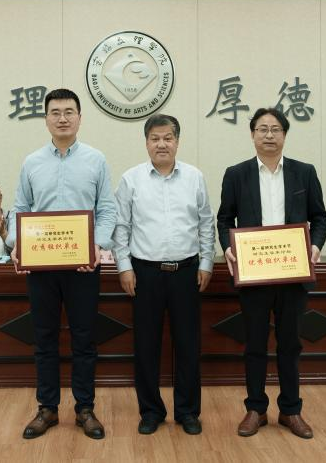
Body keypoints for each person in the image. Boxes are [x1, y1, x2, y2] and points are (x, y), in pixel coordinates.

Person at [6, 88, 116, 440]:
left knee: (84, 339)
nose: (63, 118)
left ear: (80, 118)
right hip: (41, 267)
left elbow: (107, 209)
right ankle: (47, 408)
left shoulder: (96, 160)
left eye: (69, 112)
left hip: (83, 266)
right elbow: (21, 208)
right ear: (46, 119)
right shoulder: (32, 162)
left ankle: (85, 408)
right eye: (55, 112)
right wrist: (17, 245)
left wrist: (97, 246)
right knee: (44, 339)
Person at [216, 107, 326, 440]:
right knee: (254, 344)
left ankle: (291, 410)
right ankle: (256, 409)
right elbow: (224, 219)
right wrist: (227, 247)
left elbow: (320, 217)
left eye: (276, 129)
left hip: (293, 272)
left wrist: (315, 246)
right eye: (262, 129)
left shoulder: (303, 172)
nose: (269, 135)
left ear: (284, 135)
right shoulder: (236, 174)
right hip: (254, 274)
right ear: (252, 134)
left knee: (290, 344)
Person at [113, 114, 214, 436]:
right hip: (145, 273)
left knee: (188, 345)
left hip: (187, 272)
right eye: (155, 138)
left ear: (177, 141)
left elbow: (206, 223)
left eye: (168, 138)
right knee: (146, 346)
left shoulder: (194, 177)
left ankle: (188, 411)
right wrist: (124, 266)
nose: (162, 144)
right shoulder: (131, 179)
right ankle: (151, 411)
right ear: (146, 142)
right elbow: (121, 227)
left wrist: (207, 263)